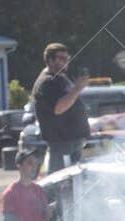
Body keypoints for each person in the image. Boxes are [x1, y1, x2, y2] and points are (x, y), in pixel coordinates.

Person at [31, 42, 91, 174]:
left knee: (74, 184)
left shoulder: (60, 78)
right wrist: (77, 88)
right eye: (61, 59)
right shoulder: (47, 82)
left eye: (67, 58)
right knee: (60, 183)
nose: (66, 62)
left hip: (71, 141)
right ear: (50, 60)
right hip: (62, 144)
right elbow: (58, 108)